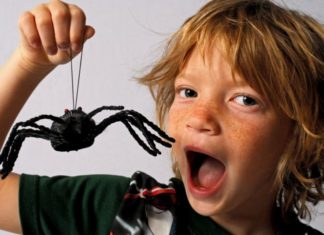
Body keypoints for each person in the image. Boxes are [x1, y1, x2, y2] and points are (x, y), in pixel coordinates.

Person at [0, 0, 323, 234]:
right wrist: (28, 65)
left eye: (245, 99)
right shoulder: (119, 207)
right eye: (188, 92)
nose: (198, 118)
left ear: (304, 134)